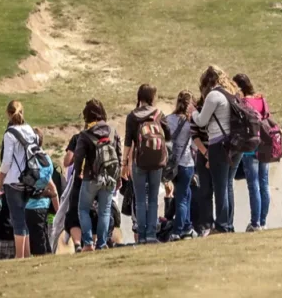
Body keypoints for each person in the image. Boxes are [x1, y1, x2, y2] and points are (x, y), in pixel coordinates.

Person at [193, 65, 242, 233]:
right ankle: (228, 223)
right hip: (234, 145)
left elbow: (201, 121)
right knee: (227, 184)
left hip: (218, 144)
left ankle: (221, 226)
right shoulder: (231, 94)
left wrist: (192, 111)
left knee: (220, 186)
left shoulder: (214, 95)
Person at [122, 84, 171, 244]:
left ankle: (141, 235)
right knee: (154, 198)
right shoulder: (158, 114)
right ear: (152, 97)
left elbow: (128, 142)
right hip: (157, 161)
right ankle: (151, 234)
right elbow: (169, 135)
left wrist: (124, 163)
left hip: (139, 162)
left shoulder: (132, 116)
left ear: (139, 97)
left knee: (141, 198)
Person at [69, 99, 119, 251]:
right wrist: (118, 176)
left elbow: (78, 157)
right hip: (110, 176)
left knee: (83, 209)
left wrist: (77, 173)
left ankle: (88, 243)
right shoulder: (112, 130)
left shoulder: (85, 135)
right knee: (105, 210)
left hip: (91, 177)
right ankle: (102, 243)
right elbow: (119, 153)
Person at [0, 100, 37, 259]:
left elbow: (6, 161)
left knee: (17, 218)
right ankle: (26, 253)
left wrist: (0, 179)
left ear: (8, 114)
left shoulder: (9, 133)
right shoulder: (30, 130)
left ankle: (20, 256)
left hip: (13, 180)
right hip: (28, 178)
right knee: (22, 216)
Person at [235, 73, 272, 231]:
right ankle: (262, 222)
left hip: (250, 149)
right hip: (265, 146)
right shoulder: (261, 99)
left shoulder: (242, 102)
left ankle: (255, 222)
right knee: (264, 184)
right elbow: (267, 118)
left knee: (254, 185)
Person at [166, 91, 198, 239]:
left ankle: (187, 225)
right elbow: (195, 145)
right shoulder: (190, 122)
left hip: (172, 164)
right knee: (182, 197)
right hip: (186, 163)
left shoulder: (167, 119)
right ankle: (178, 231)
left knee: (185, 194)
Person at [23, 131, 58, 257]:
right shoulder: (46, 158)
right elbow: (52, 187)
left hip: (29, 206)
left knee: (37, 244)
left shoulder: (28, 158)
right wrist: (58, 211)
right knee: (42, 238)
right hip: (43, 206)